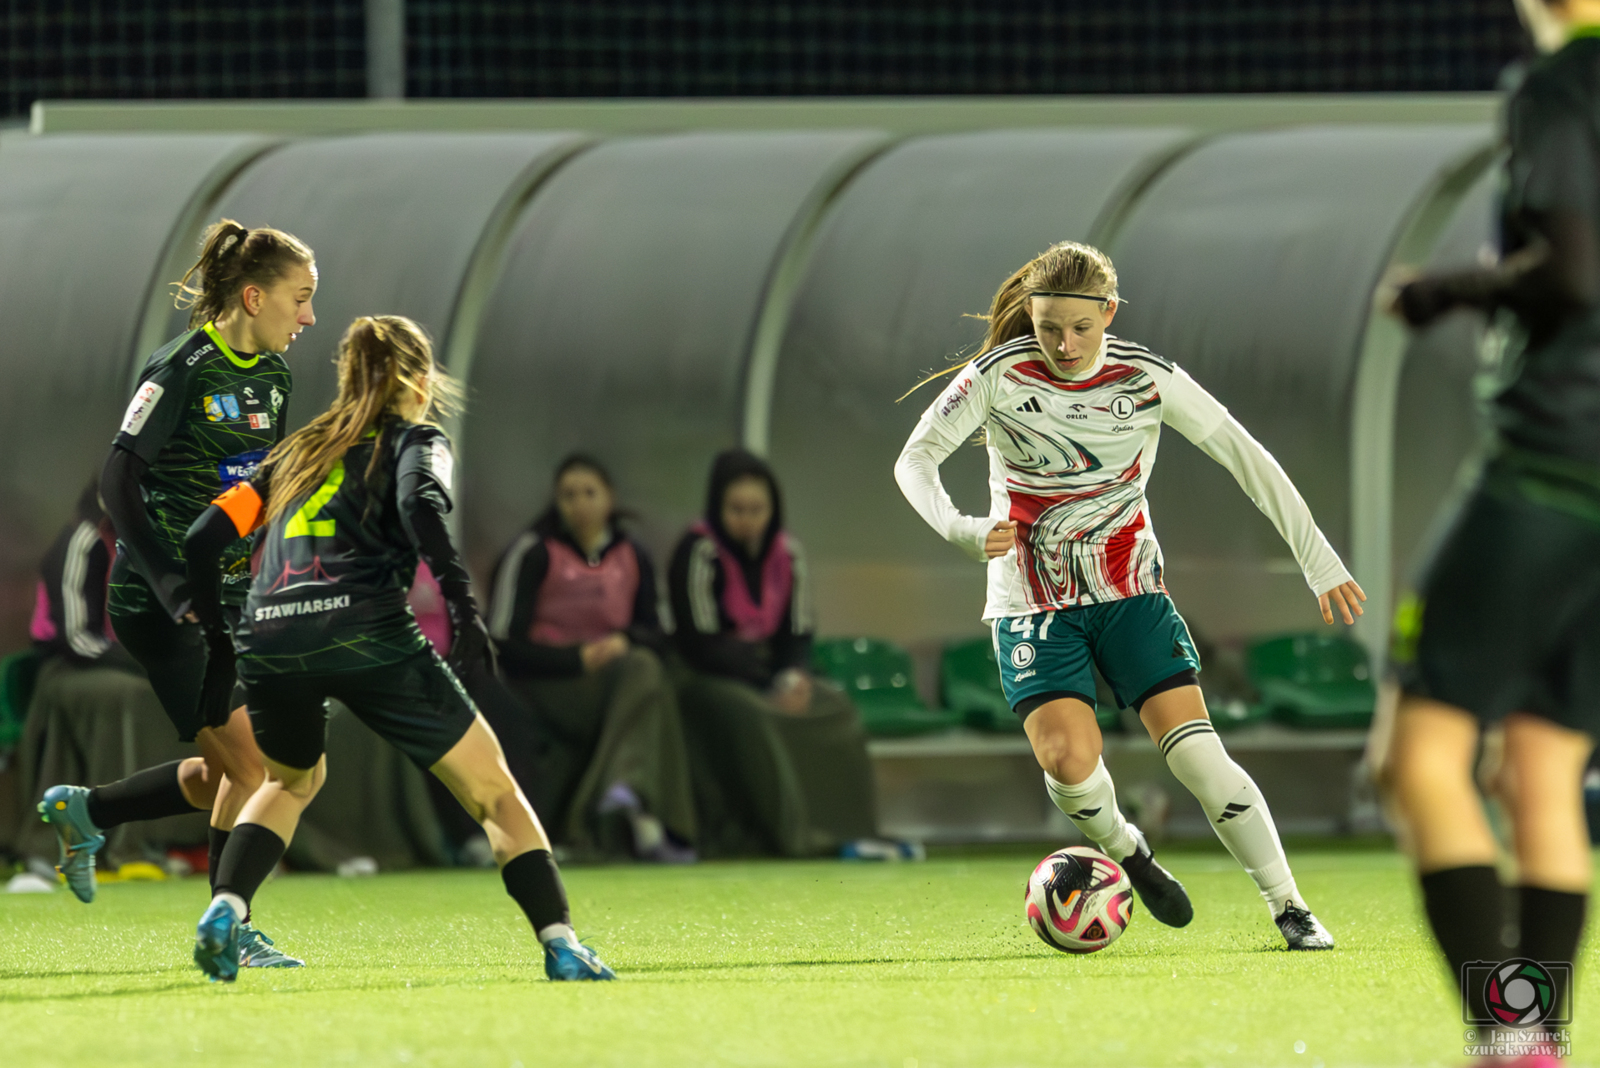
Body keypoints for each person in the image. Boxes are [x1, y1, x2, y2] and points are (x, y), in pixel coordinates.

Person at [894, 240, 1365, 949]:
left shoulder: (1146, 377)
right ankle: (1128, 851)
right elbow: (915, 459)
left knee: (1198, 758)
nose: (1063, 342)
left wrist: (1319, 559)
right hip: (1032, 600)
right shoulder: (998, 376)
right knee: (1067, 762)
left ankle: (1288, 905)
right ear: (1032, 313)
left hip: (1130, 592)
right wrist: (962, 528)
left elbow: (1246, 455)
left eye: (1081, 327)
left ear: (1109, 312)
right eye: (1048, 325)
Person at [183, 315, 613, 982]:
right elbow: (419, 507)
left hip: (269, 636)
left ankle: (227, 908)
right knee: (494, 792)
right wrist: (462, 604)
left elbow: (203, 537)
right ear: (416, 381)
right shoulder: (417, 439)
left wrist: (219, 642)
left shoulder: (295, 451)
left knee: (291, 779)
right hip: (366, 631)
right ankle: (561, 943)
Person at [1381, 0, 1600, 1041]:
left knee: (1418, 756)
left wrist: (1443, 290)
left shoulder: (1565, 85)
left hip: (1554, 465)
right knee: (1543, 769)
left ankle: (1508, 1032)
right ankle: (1535, 1038)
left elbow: (1569, 269)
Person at [37, 219, 314, 970]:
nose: (309, 317)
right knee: (259, 771)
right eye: (301, 298)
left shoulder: (277, 380)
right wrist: (164, 577)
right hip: (161, 600)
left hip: (226, 599)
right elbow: (117, 480)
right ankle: (232, 924)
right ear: (254, 296)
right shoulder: (183, 364)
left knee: (228, 772)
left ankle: (87, 809)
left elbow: (257, 490)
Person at [669, 449, 881, 858]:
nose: (746, 519)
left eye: (756, 509)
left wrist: (793, 676)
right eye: (736, 509)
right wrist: (770, 681)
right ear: (718, 507)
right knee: (754, 715)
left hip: (770, 670)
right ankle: (794, 837)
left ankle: (852, 833)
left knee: (834, 707)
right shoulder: (699, 551)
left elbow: (798, 631)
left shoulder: (789, 554)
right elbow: (699, 641)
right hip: (707, 677)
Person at [487, 454, 696, 861]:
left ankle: (625, 799)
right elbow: (501, 643)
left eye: (589, 493)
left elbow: (656, 630)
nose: (580, 505)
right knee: (647, 683)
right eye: (568, 496)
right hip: (547, 684)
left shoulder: (631, 552)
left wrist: (623, 639)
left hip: (612, 681)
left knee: (644, 669)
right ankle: (638, 811)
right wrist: (574, 660)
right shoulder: (533, 552)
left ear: (610, 498)